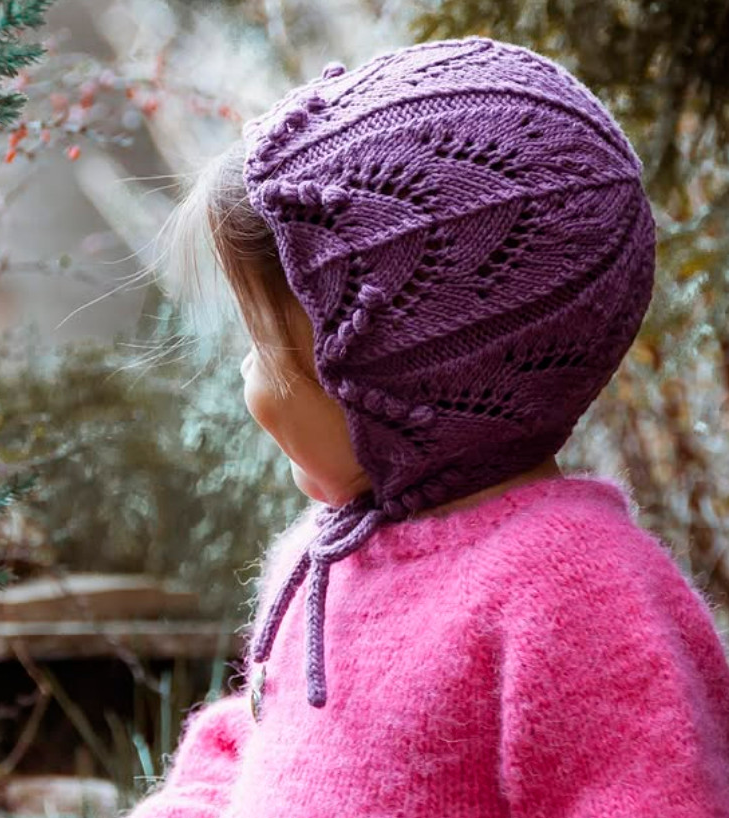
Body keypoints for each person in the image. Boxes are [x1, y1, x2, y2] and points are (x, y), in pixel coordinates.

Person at [126, 35, 729, 818]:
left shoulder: (573, 592)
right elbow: (259, 742)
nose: (249, 381)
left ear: (403, 377)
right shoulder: (325, 554)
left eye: (268, 351)